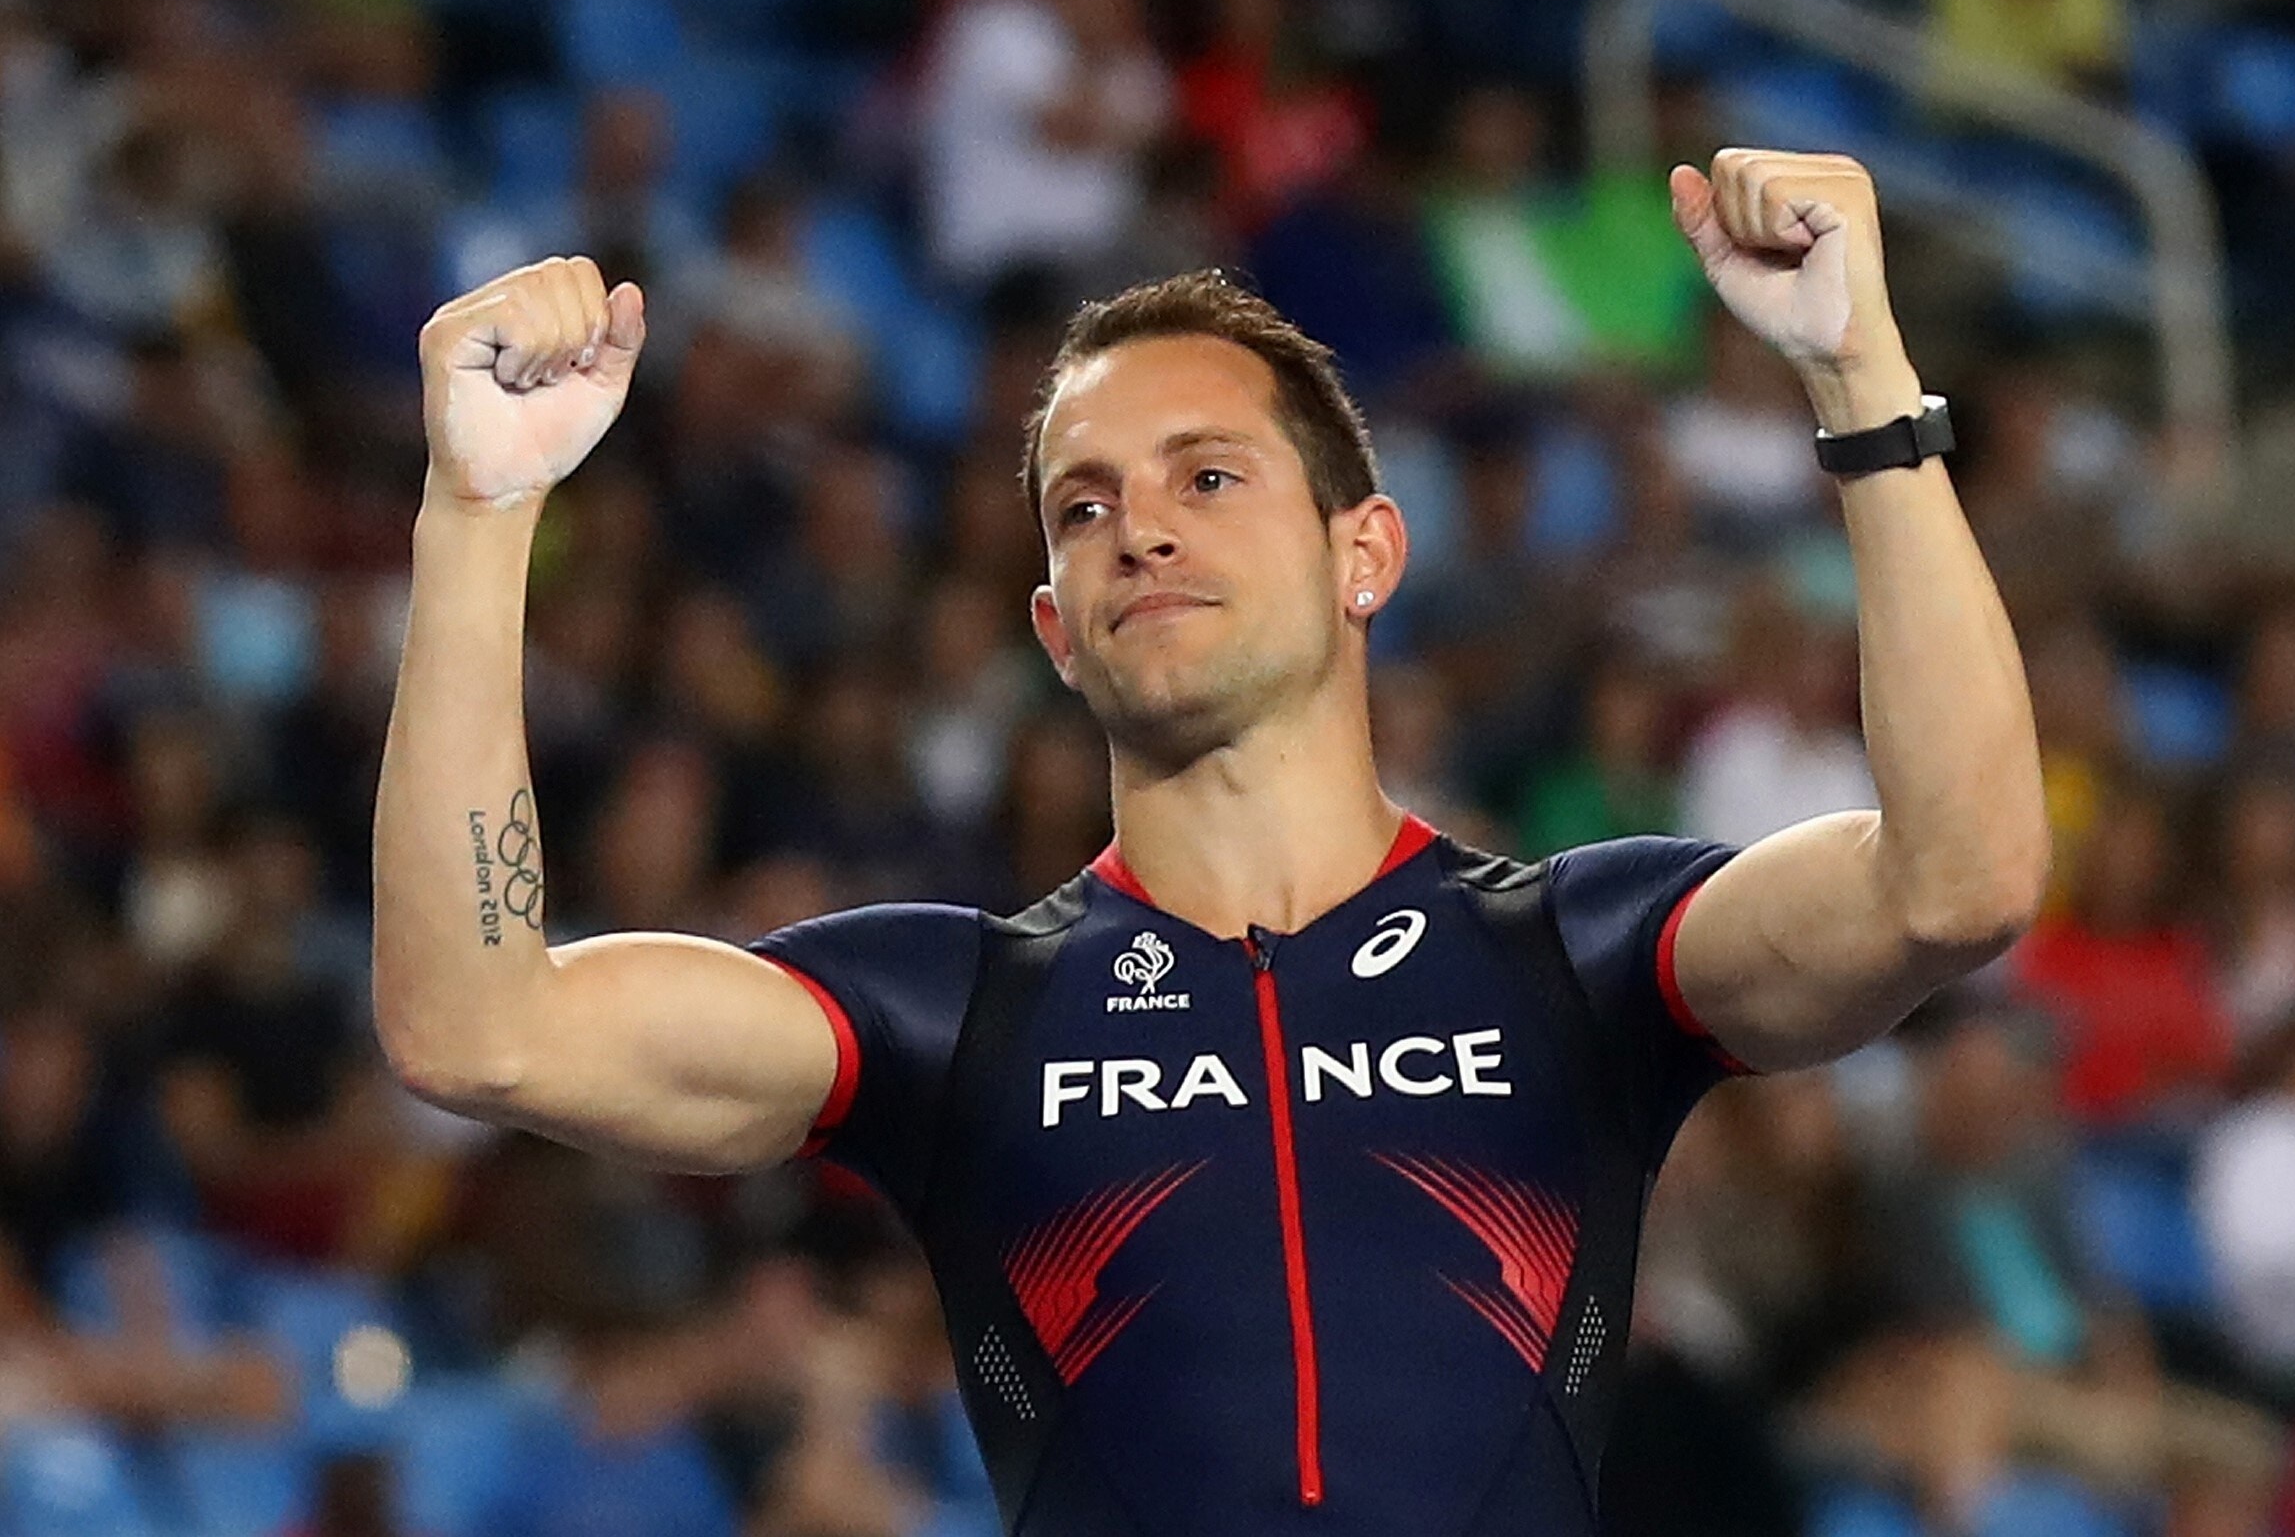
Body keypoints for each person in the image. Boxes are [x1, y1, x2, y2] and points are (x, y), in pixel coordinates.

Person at [372, 148, 2049, 1535]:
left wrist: (1862, 380)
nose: (1139, 525)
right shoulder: (952, 1013)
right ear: (1053, 626)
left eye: (1208, 476)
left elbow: (1959, 879)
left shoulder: (1574, 958)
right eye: (1084, 506)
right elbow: (480, 1024)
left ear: (1364, 556)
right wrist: (479, 515)